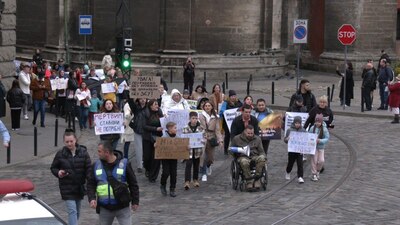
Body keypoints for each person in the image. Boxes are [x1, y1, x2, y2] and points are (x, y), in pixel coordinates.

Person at [87, 141, 139, 225]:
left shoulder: (124, 164)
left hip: (122, 207)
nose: (98, 153)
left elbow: (133, 183)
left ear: (107, 152)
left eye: (99, 151)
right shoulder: (96, 165)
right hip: (105, 208)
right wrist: (92, 198)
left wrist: (135, 201)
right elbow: (91, 184)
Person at [50, 129, 92, 225]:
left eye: (71, 141)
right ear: (64, 142)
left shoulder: (83, 153)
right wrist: (59, 172)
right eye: (67, 142)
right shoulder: (60, 154)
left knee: (77, 211)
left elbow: (88, 168)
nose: (69, 144)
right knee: (72, 211)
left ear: (75, 140)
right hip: (67, 187)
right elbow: (53, 168)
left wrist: (90, 183)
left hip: (79, 187)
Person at [231, 125, 266, 191]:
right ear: (244, 132)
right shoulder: (236, 139)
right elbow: (231, 150)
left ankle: (257, 179)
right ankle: (249, 181)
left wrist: (263, 157)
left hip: (254, 156)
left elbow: (262, 151)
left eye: (251, 133)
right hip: (242, 157)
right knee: (244, 162)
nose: (250, 135)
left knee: (262, 158)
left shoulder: (257, 139)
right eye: (248, 133)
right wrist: (236, 152)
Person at [199, 101, 222, 181]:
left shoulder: (215, 117)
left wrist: (220, 140)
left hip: (211, 137)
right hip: (202, 137)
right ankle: (203, 173)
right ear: (204, 107)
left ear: (212, 107)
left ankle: (209, 165)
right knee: (202, 156)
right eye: (206, 106)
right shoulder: (201, 116)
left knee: (210, 157)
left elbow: (217, 130)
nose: (207, 107)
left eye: (209, 106)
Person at [142, 99, 164, 183]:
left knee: (156, 158)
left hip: (158, 137)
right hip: (148, 137)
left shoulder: (159, 112)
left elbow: (163, 122)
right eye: (155, 104)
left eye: (157, 104)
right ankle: (147, 169)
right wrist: (155, 128)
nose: (157, 106)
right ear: (150, 106)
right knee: (147, 157)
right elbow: (144, 126)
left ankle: (153, 176)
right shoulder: (146, 113)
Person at [183, 111, 204, 190]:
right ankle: (187, 181)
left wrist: (203, 140)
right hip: (189, 150)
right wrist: (185, 144)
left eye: (196, 118)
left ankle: (195, 180)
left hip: (197, 150)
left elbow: (203, 137)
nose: (194, 120)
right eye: (193, 118)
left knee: (196, 165)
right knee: (188, 165)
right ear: (189, 119)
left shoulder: (200, 128)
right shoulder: (186, 128)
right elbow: (183, 139)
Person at [158, 122, 180, 197]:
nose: (176, 129)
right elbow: (159, 145)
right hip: (165, 158)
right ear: (170, 129)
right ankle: (163, 184)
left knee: (174, 173)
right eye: (175, 128)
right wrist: (156, 145)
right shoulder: (164, 137)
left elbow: (182, 145)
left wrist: (186, 147)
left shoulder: (177, 137)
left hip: (174, 158)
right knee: (166, 172)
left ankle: (172, 189)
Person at [127, 98, 147, 173]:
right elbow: (130, 101)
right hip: (138, 130)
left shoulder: (149, 107)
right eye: (141, 99)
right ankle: (139, 166)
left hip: (147, 131)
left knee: (146, 149)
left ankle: (146, 163)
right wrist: (129, 91)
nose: (143, 100)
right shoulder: (135, 108)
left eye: (144, 98)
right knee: (139, 149)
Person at [219, 90, 242, 154]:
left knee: (237, 136)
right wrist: (224, 112)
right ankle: (225, 149)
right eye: (232, 96)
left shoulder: (239, 102)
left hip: (237, 123)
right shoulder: (226, 103)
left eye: (234, 96)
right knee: (227, 136)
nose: (233, 97)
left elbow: (242, 108)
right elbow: (222, 111)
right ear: (229, 97)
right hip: (227, 123)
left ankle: (236, 148)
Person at [284, 116, 306, 183]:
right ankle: (288, 171)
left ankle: (300, 176)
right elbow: (285, 140)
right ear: (294, 123)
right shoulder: (289, 130)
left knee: (300, 164)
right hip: (292, 150)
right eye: (296, 123)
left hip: (299, 150)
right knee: (290, 163)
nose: (297, 124)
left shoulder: (303, 130)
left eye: (298, 123)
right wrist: (287, 139)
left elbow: (306, 139)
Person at [309, 114, 330, 181]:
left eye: (319, 122)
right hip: (314, 147)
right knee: (314, 160)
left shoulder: (324, 129)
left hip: (321, 147)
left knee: (321, 160)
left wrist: (320, 140)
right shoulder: (312, 128)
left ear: (321, 122)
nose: (317, 123)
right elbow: (309, 136)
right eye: (316, 122)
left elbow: (327, 138)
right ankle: (314, 174)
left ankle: (318, 171)